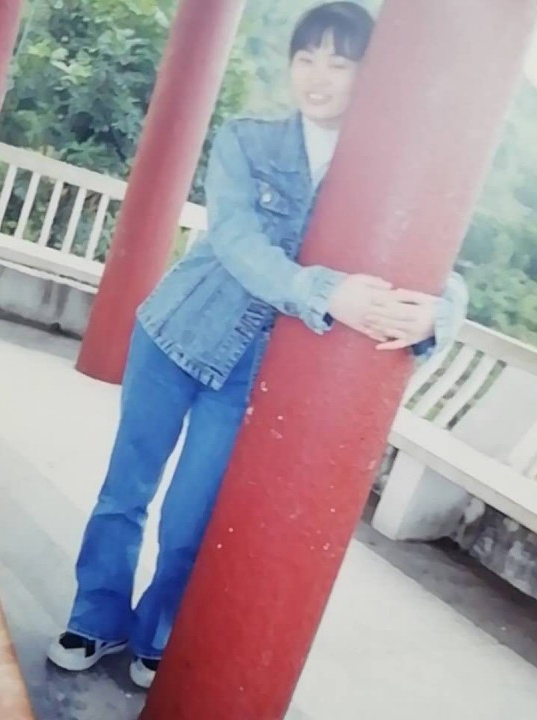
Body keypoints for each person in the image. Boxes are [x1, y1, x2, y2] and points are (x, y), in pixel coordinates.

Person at [48, 1, 469, 689]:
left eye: (339, 64)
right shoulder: (247, 140)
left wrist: (441, 315)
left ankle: (156, 632)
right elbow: (236, 240)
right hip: (175, 333)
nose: (318, 77)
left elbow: (442, 261)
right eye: (306, 58)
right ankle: (95, 618)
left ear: (370, 77)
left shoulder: (377, 176)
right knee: (126, 491)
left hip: (251, 371)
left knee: (191, 517)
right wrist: (325, 291)